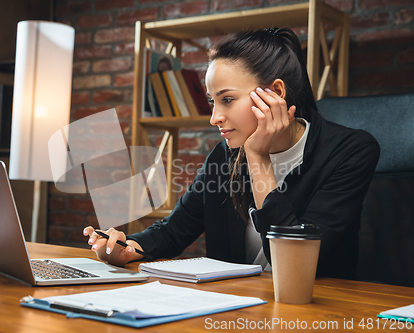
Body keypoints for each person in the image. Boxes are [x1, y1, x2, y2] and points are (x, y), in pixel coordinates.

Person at [83, 27, 380, 280]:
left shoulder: (350, 152)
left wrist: (259, 159)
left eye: (227, 99)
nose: (214, 118)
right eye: (213, 102)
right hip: (238, 307)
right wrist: (129, 248)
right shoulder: (225, 155)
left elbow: (294, 263)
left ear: (275, 93)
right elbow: (173, 231)